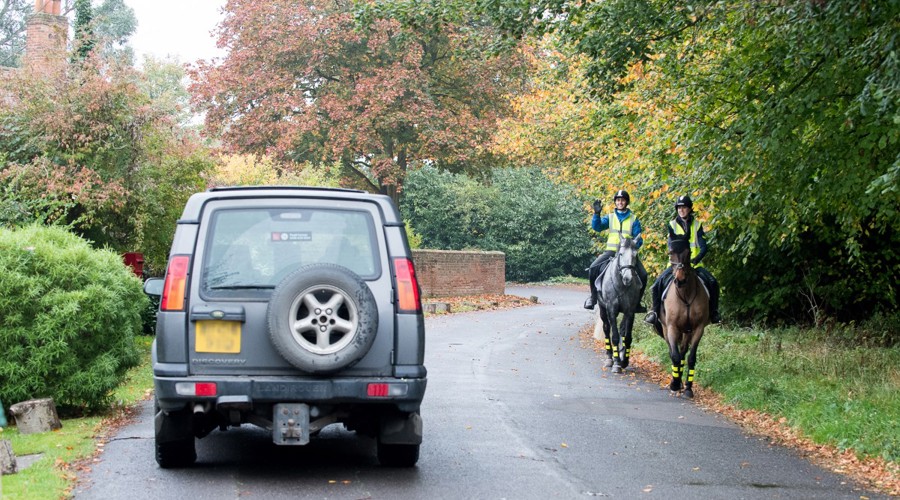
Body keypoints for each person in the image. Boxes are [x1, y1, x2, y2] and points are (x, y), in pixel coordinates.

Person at [644, 195, 721, 325]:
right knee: (657, 285)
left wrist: (696, 259)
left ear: (690, 209)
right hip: (675, 265)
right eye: (679, 208)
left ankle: (714, 312)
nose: (681, 210)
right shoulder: (672, 225)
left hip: (694, 265)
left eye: (684, 207)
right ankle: (654, 313)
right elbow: (670, 245)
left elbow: (703, 246)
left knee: (713, 282)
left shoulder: (697, 225)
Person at [584, 190, 648, 311]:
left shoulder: (634, 219)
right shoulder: (610, 217)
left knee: (643, 274)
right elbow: (597, 227)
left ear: (627, 202)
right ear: (615, 202)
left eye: (622, 200)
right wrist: (596, 214)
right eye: (618, 200)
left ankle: (637, 303)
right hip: (611, 251)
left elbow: (638, 239)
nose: (620, 202)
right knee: (593, 268)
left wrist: (633, 245)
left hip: (627, 254)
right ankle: (593, 298)